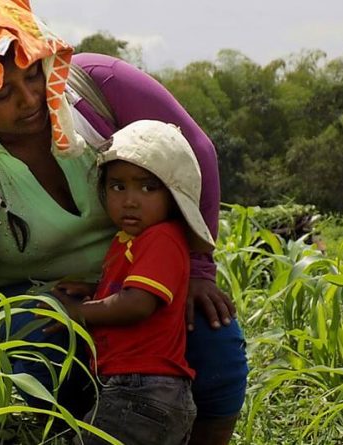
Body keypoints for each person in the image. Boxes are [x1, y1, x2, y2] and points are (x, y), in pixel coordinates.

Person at [0, 0, 248, 443]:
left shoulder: (99, 88)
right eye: (1, 93)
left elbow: (194, 150)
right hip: (33, 302)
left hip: (135, 280)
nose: (28, 99)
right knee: (40, 349)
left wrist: (199, 269)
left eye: (33, 74)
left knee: (213, 341)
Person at [47, 119, 212, 445]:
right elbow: (129, 290)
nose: (130, 200)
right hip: (142, 390)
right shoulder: (129, 240)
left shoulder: (162, 238)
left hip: (142, 389)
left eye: (148, 188)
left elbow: (138, 304)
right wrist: (94, 291)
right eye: (117, 186)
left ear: (174, 196)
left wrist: (78, 312)